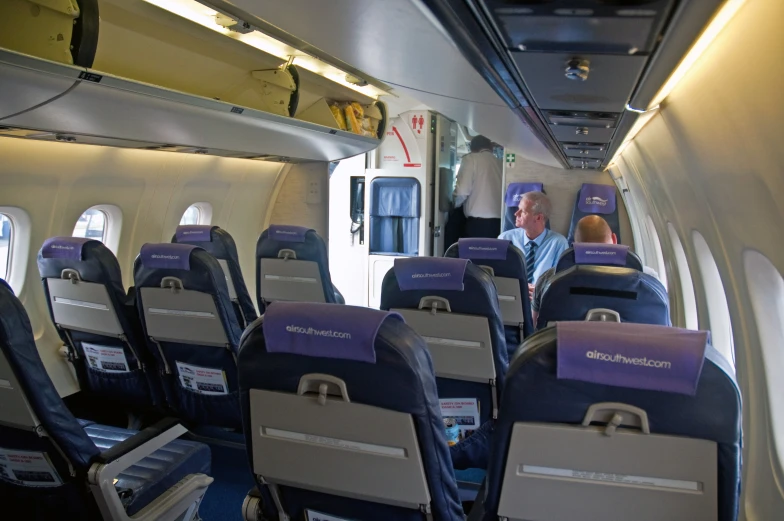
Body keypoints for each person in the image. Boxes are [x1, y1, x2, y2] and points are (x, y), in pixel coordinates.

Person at [531, 215, 661, 324]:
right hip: (633, 353)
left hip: (564, 352)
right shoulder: (649, 278)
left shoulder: (549, 278)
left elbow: (537, 325)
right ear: (614, 239)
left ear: (575, 245)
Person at [498, 191, 568, 300]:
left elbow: (561, 282)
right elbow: (497, 276)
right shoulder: (505, 239)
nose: (516, 214)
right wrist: (521, 288)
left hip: (543, 301)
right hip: (510, 297)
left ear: (539, 218)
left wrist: (540, 290)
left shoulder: (558, 243)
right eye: (518, 209)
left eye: (523, 212)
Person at [452, 135, 503, 239]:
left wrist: (453, 206)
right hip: (499, 223)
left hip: (478, 224)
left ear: (472, 148)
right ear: (491, 147)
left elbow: (462, 192)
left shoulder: (470, 159)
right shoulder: (501, 163)